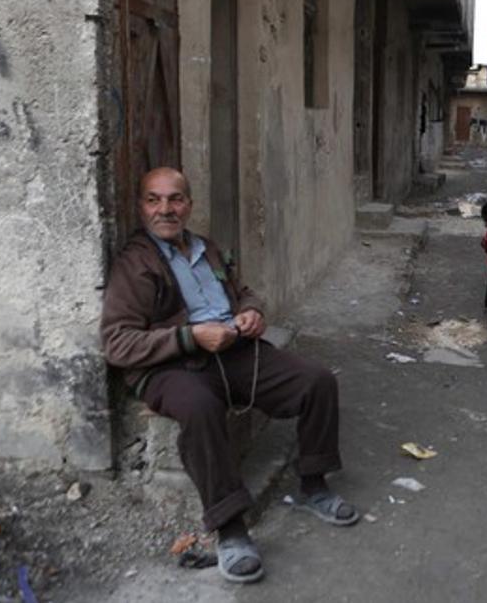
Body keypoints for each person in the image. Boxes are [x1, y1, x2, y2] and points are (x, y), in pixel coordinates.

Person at [101, 168, 359, 584]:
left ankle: (314, 485)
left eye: (175, 199)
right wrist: (189, 337)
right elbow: (118, 344)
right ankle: (231, 530)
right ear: (140, 206)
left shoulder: (207, 247)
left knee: (317, 381)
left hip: (234, 350)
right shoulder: (135, 264)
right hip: (171, 365)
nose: (165, 209)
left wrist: (252, 312)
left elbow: (244, 292)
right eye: (154, 199)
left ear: (189, 204)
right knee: (201, 408)